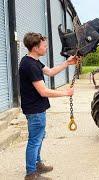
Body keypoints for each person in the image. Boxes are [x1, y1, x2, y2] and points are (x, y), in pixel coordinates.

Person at [19, 32, 80, 180]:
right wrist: (66, 93)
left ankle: (37, 164)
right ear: (35, 47)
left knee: (39, 137)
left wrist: (67, 63)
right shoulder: (30, 66)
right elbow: (43, 91)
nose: (46, 48)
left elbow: (51, 72)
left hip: (37, 108)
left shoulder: (33, 61)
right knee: (35, 140)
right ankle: (31, 173)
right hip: (35, 110)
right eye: (44, 46)